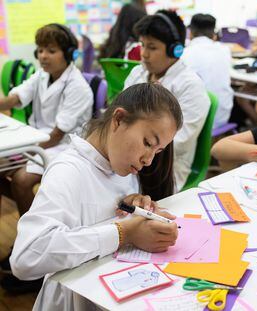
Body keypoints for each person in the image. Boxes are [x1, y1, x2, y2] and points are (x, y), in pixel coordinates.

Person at [10, 83, 183, 310]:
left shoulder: (119, 162)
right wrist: (124, 232)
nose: (149, 160)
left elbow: (102, 209)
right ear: (118, 120)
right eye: (147, 143)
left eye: (157, 151)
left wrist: (136, 210)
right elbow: (25, 258)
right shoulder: (68, 171)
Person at [0, 24, 93, 221]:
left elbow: (57, 135)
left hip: (64, 146)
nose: (43, 56)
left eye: (51, 51)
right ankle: (36, 215)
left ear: (69, 54)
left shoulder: (78, 87)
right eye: (40, 50)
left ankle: (33, 233)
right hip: (40, 139)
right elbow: (15, 99)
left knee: (21, 181)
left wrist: (25, 151)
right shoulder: (42, 75)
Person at [123, 10, 210, 190]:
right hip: (128, 154)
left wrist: (128, 145)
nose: (144, 54)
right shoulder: (138, 73)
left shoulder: (190, 86)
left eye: (152, 47)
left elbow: (177, 142)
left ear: (175, 50)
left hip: (165, 167)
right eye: (142, 45)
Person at [181, 13, 233, 128]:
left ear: (191, 31)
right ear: (213, 33)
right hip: (223, 116)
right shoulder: (225, 50)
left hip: (198, 121)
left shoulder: (186, 54)